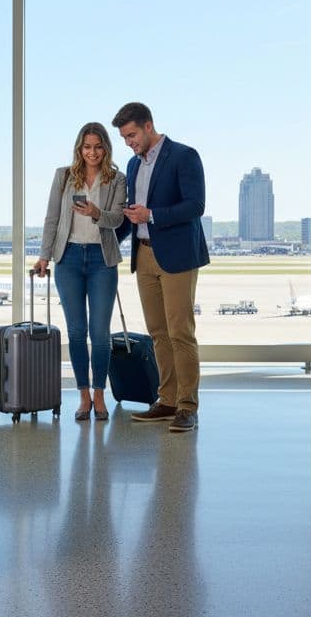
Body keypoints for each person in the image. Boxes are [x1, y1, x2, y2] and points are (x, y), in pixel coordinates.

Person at [112, 102, 209, 433]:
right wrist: (106, 235)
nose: (129, 143)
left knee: (180, 332)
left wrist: (151, 215)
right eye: (125, 138)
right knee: (158, 333)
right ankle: (166, 400)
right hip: (144, 254)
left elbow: (195, 205)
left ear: (149, 126)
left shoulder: (184, 156)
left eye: (132, 135)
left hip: (177, 256)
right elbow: (131, 215)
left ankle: (187, 406)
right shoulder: (133, 165)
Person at [32, 123, 127, 421]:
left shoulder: (117, 179)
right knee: (76, 332)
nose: (93, 152)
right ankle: (83, 395)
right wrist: (44, 257)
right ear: (79, 148)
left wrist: (96, 212)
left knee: (100, 333)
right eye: (87, 147)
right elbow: (52, 218)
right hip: (68, 258)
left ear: (106, 148)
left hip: (102, 260)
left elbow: (116, 220)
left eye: (98, 147)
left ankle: (100, 394)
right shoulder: (63, 176)